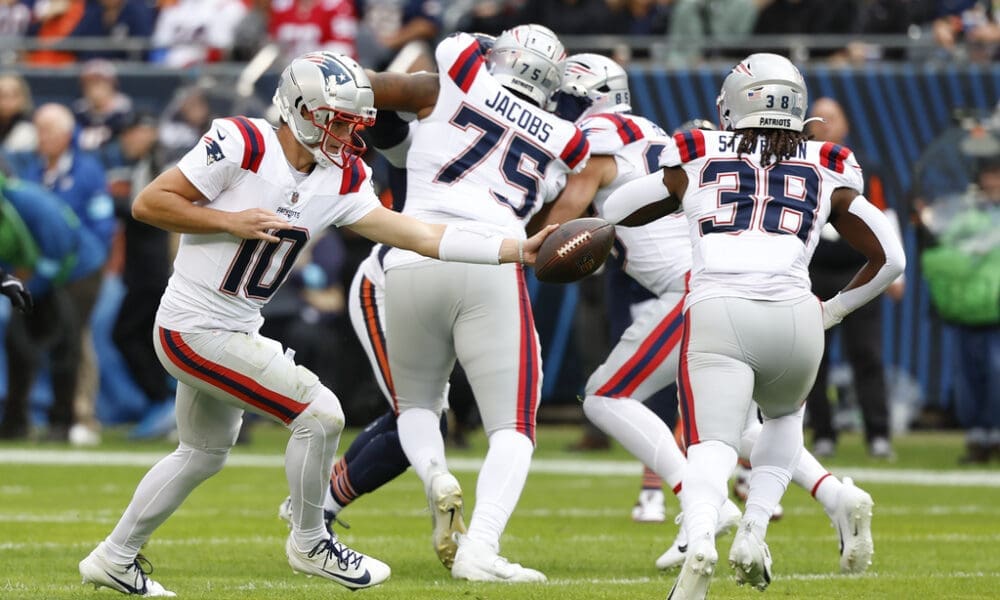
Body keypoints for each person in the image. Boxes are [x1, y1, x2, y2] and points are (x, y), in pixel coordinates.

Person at [77, 50, 554, 597]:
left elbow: (419, 234)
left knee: (202, 453)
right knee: (321, 414)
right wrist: (229, 220)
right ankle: (309, 541)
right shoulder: (244, 142)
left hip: (236, 325)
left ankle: (114, 557)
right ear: (301, 110)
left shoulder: (344, 176)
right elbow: (149, 202)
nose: (349, 135)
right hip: (192, 326)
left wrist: (514, 248)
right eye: (339, 120)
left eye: (354, 123)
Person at [547, 52, 879, 575]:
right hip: (776, 301)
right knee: (752, 425)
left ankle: (701, 506)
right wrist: (833, 310)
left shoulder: (607, 138)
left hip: (697, 290)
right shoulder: (655, 133)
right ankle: (833, 495)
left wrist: (521, 245)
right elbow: (890, 254)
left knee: (607, 397)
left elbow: (586, 208)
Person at [360, 24, 587, 582]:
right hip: (490, 258)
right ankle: (480, 549)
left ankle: (436, 472)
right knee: (513, 425)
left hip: (411, 256)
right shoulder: (568, 138)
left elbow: (389, 87)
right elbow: (545, 225)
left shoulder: (458, 72)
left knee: (416, 405)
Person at [805, 96, 905, 460]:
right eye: (820, 118)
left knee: (867, 353)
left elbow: (883, 212)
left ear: (845, 123)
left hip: (858, 268)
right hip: (811, 271)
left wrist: (895, 270)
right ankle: (823, 433)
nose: (826, 124)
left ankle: (878, 433)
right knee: (811, 357)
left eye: (833, 117)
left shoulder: (861, 166)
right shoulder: (797, 164)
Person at [0, 174, 106, 442]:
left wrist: (27, 287)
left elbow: (59, 250)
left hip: (77, 271)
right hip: (36, 276)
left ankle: (64, 421)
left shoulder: (31, 201)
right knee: (17, 343)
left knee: (65, 345)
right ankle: (15, 421)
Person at [919, 146, 1000, 463]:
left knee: (996, 373)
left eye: (997, 175)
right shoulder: (964, 215)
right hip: (967, 309)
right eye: (988, 175)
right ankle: (978, 438)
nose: (993, 181)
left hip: (995, 312)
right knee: (969, 377)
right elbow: (944, 255)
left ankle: (994, 434)